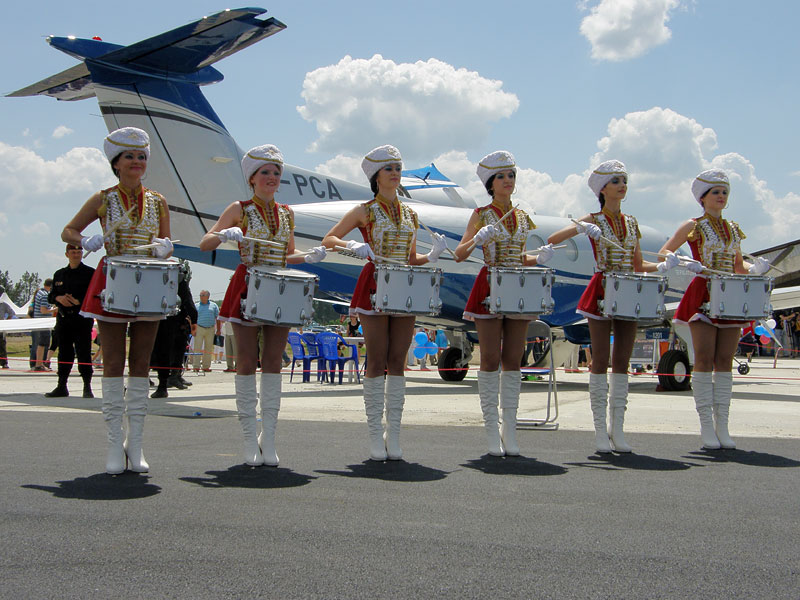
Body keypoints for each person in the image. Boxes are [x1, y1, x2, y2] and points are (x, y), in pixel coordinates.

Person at [200, 144, 328, 467]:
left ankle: (268, 436)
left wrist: (309, 256)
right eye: (265, 173)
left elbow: (288, 254)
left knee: (273, 360)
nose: (272, 178)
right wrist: (225, 234)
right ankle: (247, 437)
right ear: (252, 178)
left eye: (276, 172)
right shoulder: (239, 208)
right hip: (247, 283)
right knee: (245, 360)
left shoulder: (287, 213)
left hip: (280, 286)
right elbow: (205, 243)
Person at [322, 145, 447, 461]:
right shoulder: (364, 210)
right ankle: (375, 435)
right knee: (377, 358)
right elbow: (329, 239)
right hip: (375, 281)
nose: (395, 173)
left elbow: (410, 257)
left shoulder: (410, 214)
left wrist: (431, 255)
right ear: (376, 176)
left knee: (398, 358)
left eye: (398, 168)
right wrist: (353, 245)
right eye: (388, 168)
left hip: (404, 284)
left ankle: (395, 433)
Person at [62, 126, 174, 474]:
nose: (137, 162)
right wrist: (86, 241)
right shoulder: (103, 198)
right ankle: (113, 444)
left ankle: (135, 443)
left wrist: (165, 247)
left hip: (151, 281)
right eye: (130, 157)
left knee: (142, 363)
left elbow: (168, 241)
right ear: (116, 163)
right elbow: (67, 231)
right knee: (112, 363)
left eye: (142, 157)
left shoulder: (158, 200)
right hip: (112, 278)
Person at [548, 160, 678, 453]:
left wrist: (660, 265)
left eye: (624, 180)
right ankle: (598, 431)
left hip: (630, 289)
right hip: (603, 286)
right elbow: (554, 239)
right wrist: (584, 229)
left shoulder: (632, 223)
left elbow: (637, 264)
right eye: (616, 181)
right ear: (602, 189)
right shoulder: (593, 218)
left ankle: (617, 429)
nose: (623, 185)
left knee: (623, 360)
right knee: (601, 358)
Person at [454, 150, 555, 456]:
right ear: (490, 183)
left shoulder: (523, 216)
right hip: (490, 283)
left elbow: (519, 256)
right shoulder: (480, 214)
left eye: (511, 175)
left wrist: (538, 258)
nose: (508, 181)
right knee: (489, 360)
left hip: (518, 285)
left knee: (514, 359)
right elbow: (459, 253)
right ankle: (489, 431)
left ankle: (508, 429)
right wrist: (477, 240)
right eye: (501, 177)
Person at [660, 169, 769, 450]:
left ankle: (723, 425)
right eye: (715, 193)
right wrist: (687, 263)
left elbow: (737, 266)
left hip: (730, 294)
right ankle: (706, 425)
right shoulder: (692, 225)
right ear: (703, 198)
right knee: (705, 358)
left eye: (724, 192)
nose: (721, 197)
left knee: (725, 360)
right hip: (704, 291)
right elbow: (664, 253)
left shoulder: (733, 229)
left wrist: (753, 270)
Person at [45, 244, 96, 397]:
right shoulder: (60, 274)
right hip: (64, 318)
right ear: (67, 254)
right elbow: (51, 296)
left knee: (84, 352)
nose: (76, 255)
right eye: (73, 252)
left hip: (81, 318)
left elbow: (95, 294)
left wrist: (79, 301)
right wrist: (59, 298)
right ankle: (62, 385)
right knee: (64, 352)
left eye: (79, 252)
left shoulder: (89, 273)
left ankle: (87, 386)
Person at [150, 262, 197, 398]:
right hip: (173, 322)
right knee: (171, 352)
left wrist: (193, 319)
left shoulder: (160, 281)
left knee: (168, 351)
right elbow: (187, 301)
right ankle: (167, 381)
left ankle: (168, 380)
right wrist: (194, 319)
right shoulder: (178, 283)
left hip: (166, 320)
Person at [31, 279, 56, 371]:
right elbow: (43, 310)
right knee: (43, 344)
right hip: (43, 322)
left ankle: (39, 363)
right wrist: (54, 310)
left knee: (40, 344)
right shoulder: (45, 295)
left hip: (38, 322)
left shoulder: (40, 292)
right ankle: (39, 364)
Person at [193, 290, 219, 372]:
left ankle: (206, 366)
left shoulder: (214, 305)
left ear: (208, 296)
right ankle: (196, 366)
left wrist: (218, 330)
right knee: (197, 347)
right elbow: (192, 318)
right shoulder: (196, 305)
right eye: (200, 295)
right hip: (199, 328)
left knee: (208, 348)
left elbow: (217, 318)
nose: (201, 296)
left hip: (210, 328)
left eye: (203, 295)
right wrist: (193, 329)